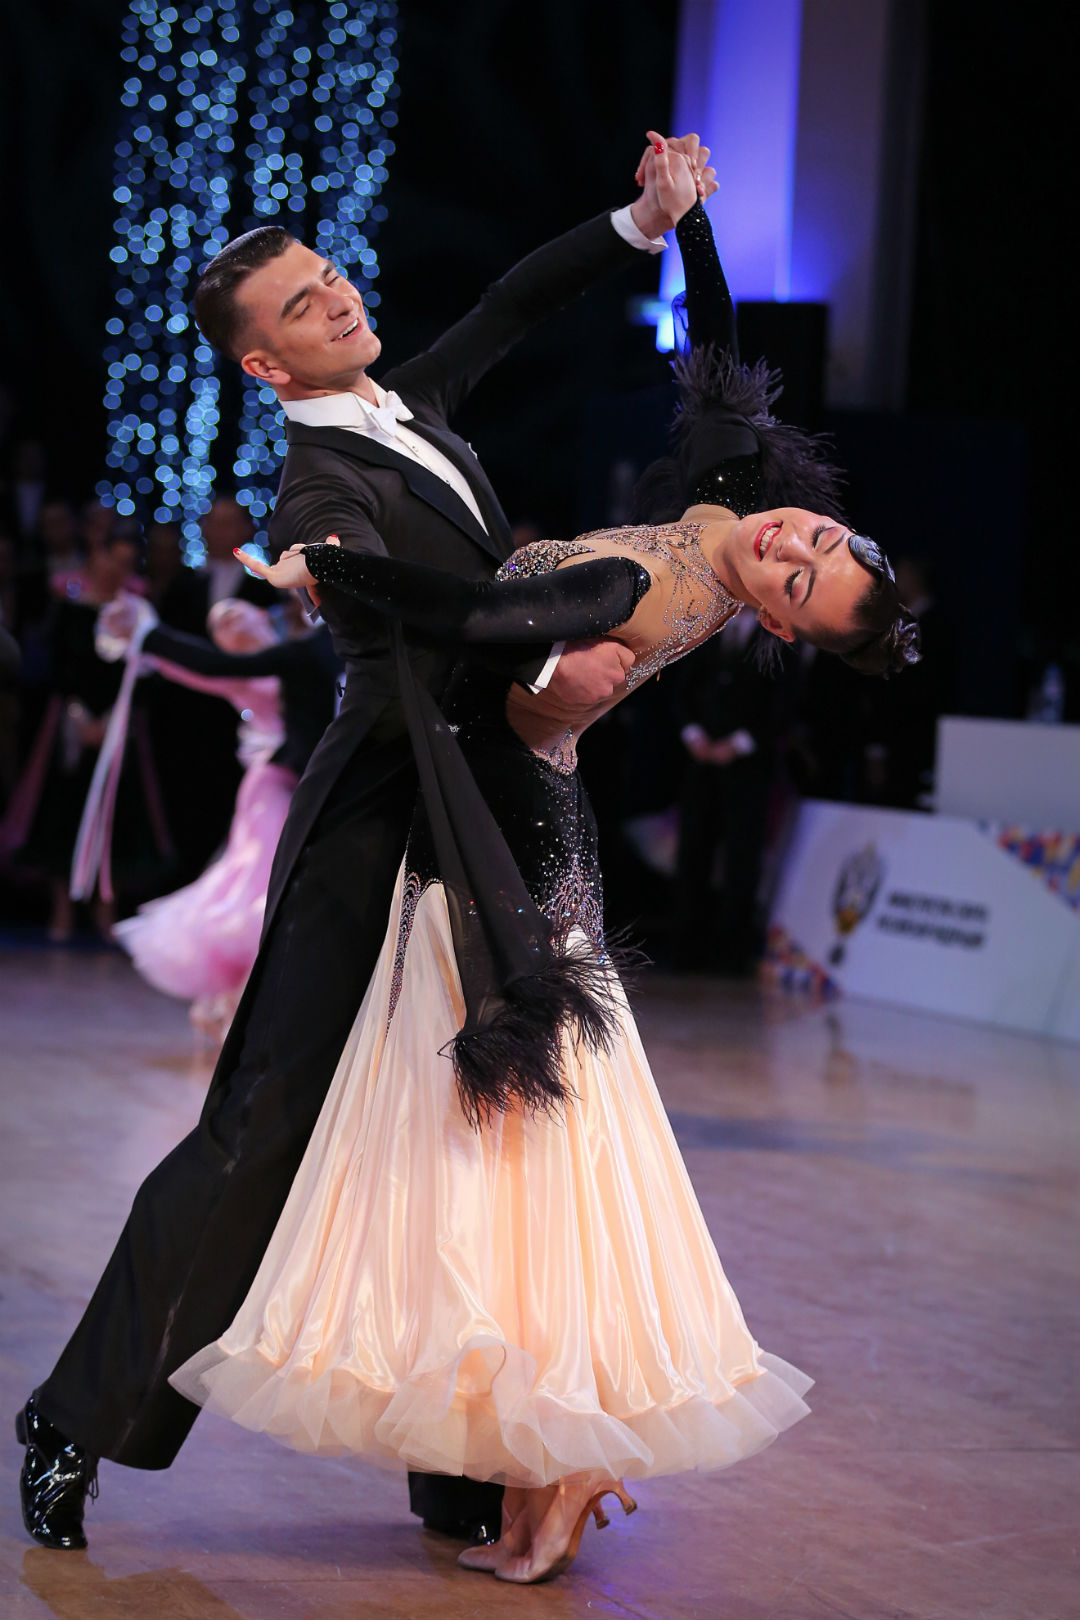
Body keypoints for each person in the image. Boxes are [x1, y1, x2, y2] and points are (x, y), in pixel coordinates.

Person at [164, 179, 920, 1584]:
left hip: (508, 846)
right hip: (505, 829)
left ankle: (561, 1452)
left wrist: (338, 577)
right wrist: (683, 220)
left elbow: (484, 614)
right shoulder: (720, 512)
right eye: (814, 539)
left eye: (798, 583)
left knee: (519, 1164)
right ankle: (534, 1461)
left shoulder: (653, 592)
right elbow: (718, 365)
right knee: (518, 1162)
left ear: (772, 627)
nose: (790, 548)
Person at [17, 129, 711, 1554]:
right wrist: (368, 589)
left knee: (471, 1132)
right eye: (301, 306)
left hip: (480, 813)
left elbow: (511, 303)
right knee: (260, 1132)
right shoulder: (316, 487)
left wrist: (640, 223)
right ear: (263, 366)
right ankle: (73, 1417)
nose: (335, 299)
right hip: (376, 821)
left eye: (329, 276)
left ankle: (456, 1457)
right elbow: (370, 585)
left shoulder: (411, 403)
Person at [103, 594, 339, 1039]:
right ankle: (237, 1007)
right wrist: (149, 639)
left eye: (236, 614)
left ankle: (229, 1003)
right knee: (260, 889)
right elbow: (202, 669)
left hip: (302, 784)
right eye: (222, 625)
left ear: (259, 615)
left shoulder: (300, 649)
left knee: (266, 885)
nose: (234, 624)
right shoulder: (256, 668)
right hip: (272, 787)